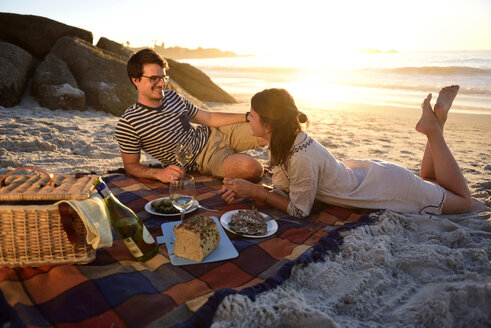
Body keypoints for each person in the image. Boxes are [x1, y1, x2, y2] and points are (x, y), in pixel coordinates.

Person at [219, 86, 472, 217]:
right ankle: (436, 121)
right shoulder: (284, 142)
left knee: (463, 201)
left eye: (252, 114)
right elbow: (286, 188)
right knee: (430, 182)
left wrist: (255, 191)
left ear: (269, 125)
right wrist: (250, 189)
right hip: (376, 178)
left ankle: (435, 129)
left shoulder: (301, 157)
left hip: (389, 188)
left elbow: (299, 211)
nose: (248, 117)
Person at [115, 48, 265, 183]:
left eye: (163, 78)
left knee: (270, 128)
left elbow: (209, 118)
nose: (161, 84)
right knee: (253, 168)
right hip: (205, 159)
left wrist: (247, 116)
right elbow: (131, 166)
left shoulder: (172, 96)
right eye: (154, 78)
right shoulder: (129, 123)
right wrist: (159, 173)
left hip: (218, 133)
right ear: (136, 80)